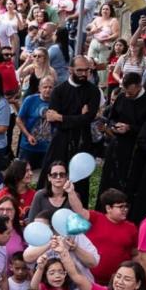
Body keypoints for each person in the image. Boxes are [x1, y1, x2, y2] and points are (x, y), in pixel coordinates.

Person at [38, 56, 101, 202]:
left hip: (82, 141)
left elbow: (88, 118)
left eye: (87, 70)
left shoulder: (93, 91)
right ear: (70, 70)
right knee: (53, 176)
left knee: (80, 183)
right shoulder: (59, 91)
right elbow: (53, 121)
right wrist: (78, 117)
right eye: (80, 70)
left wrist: (61, 117)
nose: (84, 74)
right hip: (60, 141)